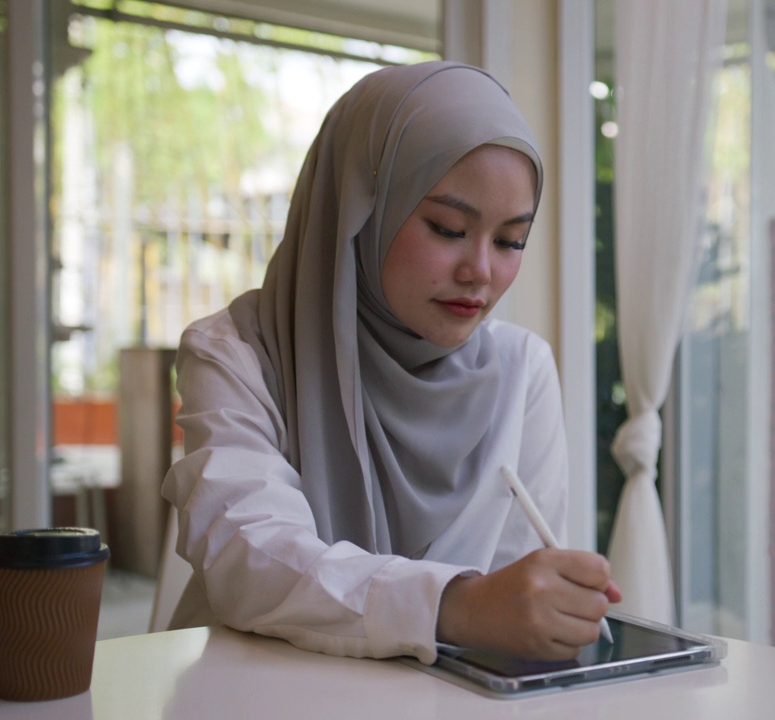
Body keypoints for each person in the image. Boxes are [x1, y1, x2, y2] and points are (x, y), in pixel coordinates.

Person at [161, 60, 621, 665]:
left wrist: (544, 607)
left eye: (511, 241)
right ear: (360, 209)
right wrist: (457, 605)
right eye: (447, 227)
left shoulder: (522, 372)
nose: (480, 271)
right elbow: (249, 558)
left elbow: (515, 591)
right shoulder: (239, 353)